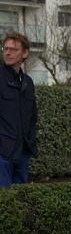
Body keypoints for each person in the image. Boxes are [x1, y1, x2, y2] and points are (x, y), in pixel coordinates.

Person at [0, 32, 37, 188]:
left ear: (24, 53)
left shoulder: (27, 82)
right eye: (5, 49)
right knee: (4, 200)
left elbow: (32, 117)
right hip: (2, 153)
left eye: (13, 49)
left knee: (20, 200)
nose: (7, 53)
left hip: (22, 152)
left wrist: (30, 144)